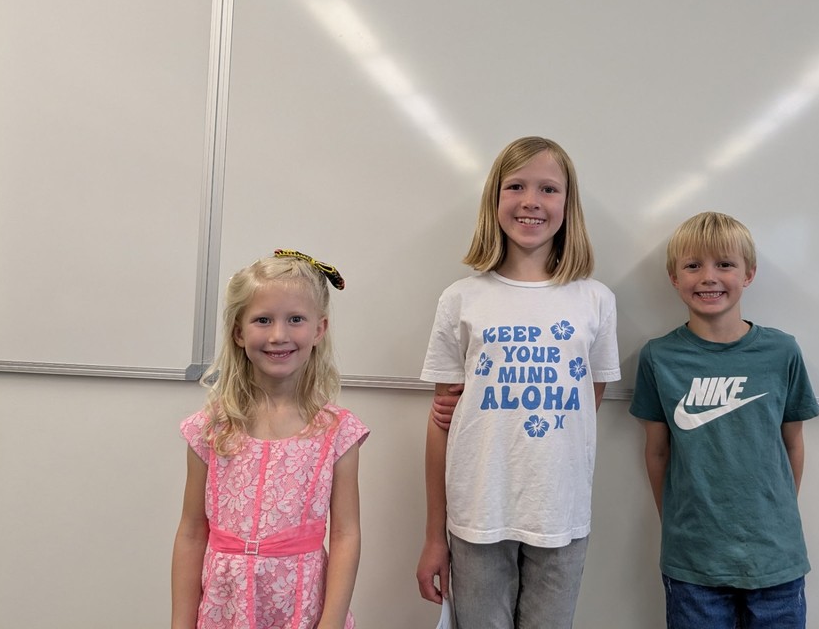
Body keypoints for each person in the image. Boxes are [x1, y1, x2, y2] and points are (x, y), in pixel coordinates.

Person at [416, 136, 621, 629]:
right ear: (495, 200)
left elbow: (586, 400)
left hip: (561, 516)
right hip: (477, 516)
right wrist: (432, 535)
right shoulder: (461, 298)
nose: (531, 200)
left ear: (568, 206)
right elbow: (443, 421)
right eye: (516, 186)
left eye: (548, 189)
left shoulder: (594, 300)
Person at [629, 211, 819, 629]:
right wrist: (680, 527)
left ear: (749, 274)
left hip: (777, 558)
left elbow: (792, 443)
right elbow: (657, 452)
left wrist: (775, 518)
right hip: (693, 562)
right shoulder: (659, 357)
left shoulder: (782, 351)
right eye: (693, 265)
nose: (708, 277)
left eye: (725, 264)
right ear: (673, 277)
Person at [171, 250, 369, 629]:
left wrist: (330, 623)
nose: (279, 335)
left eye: (295, 319)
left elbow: (345, 535)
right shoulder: (209, 429)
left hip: (301, 611)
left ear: (319, 329)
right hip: (223, 611)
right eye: (263, 320)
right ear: (239, 332)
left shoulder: (338, 432)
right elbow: (192, 531)